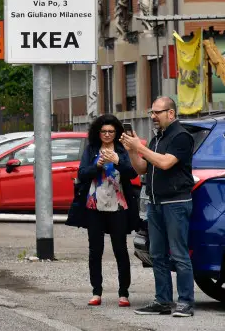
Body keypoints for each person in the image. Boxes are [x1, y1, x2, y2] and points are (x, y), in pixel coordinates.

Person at [120, 96, 195, 318]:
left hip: (176, 203)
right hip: (155, 203)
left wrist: (139, 147)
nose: (153, 116)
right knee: (157, 254)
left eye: (157, 112)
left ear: (170, 114)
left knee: (179, 254)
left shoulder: (181, 136)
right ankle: (162, 301)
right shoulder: (156, 138)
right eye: (151, 112)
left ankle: (185, 302)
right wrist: (132, 150)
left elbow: (164, 162)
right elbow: (142, 169)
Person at [67, 114, 138, 307]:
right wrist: (96, 165)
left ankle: (123, 293)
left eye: (111, 132)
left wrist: (117, 161)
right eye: (104, 131)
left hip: (118, 206)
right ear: (98, 133)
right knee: (95, 251)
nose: (107, 135)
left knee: (120, 250)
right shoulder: (91, 149)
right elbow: (82, 173)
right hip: (94, 206)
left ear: (117, 133)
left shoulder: (122, 150)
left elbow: (133, 173)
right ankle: (96, 292)